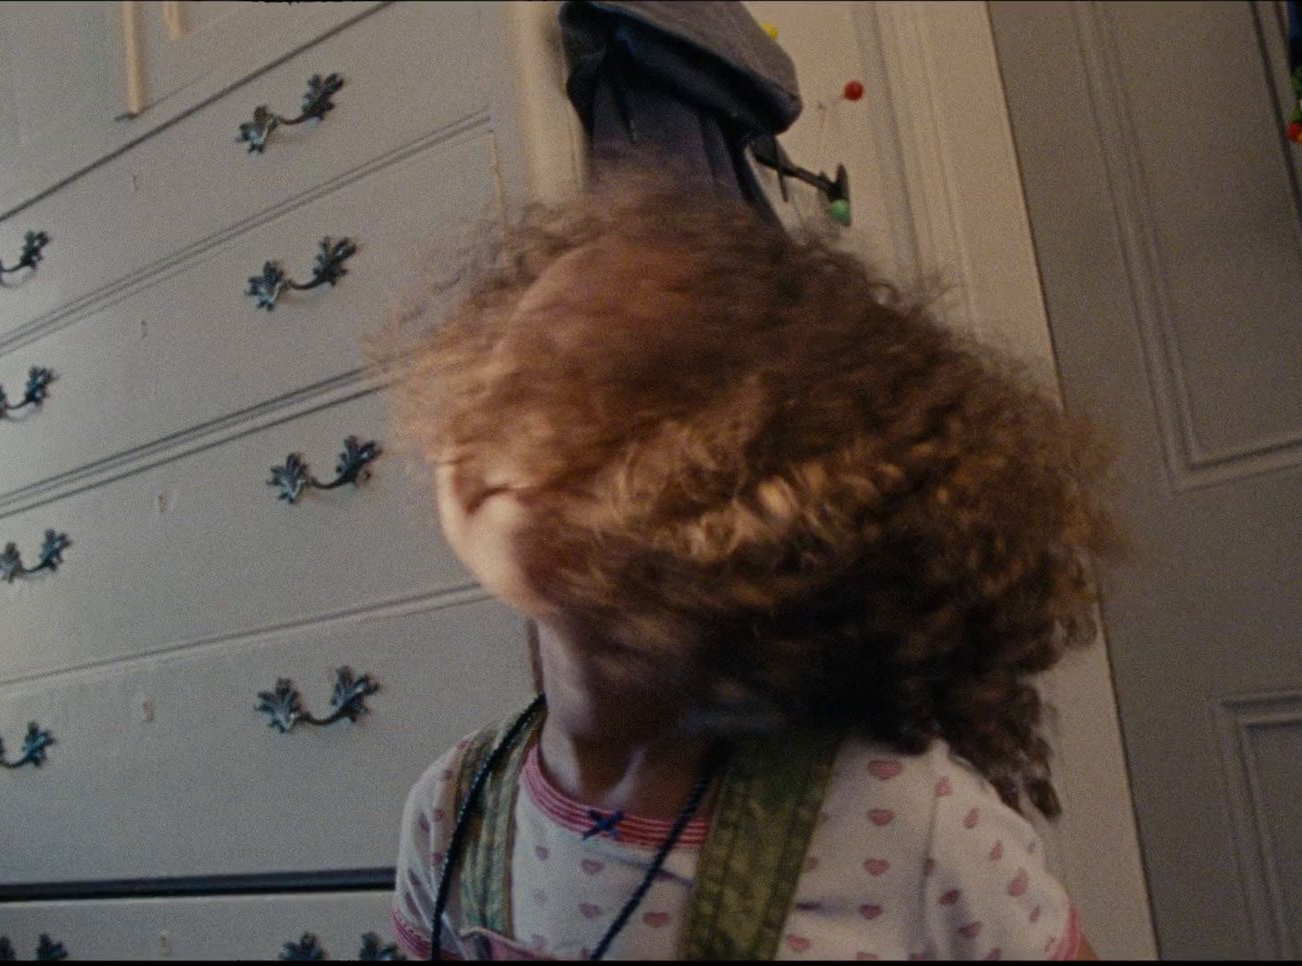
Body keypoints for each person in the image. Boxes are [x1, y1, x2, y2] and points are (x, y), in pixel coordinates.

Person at [376, 179, 1127, 960]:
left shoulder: (909, 823)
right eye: (508, 366)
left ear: (764, 496)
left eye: (596, 392)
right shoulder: (451, 811)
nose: (498, 416)